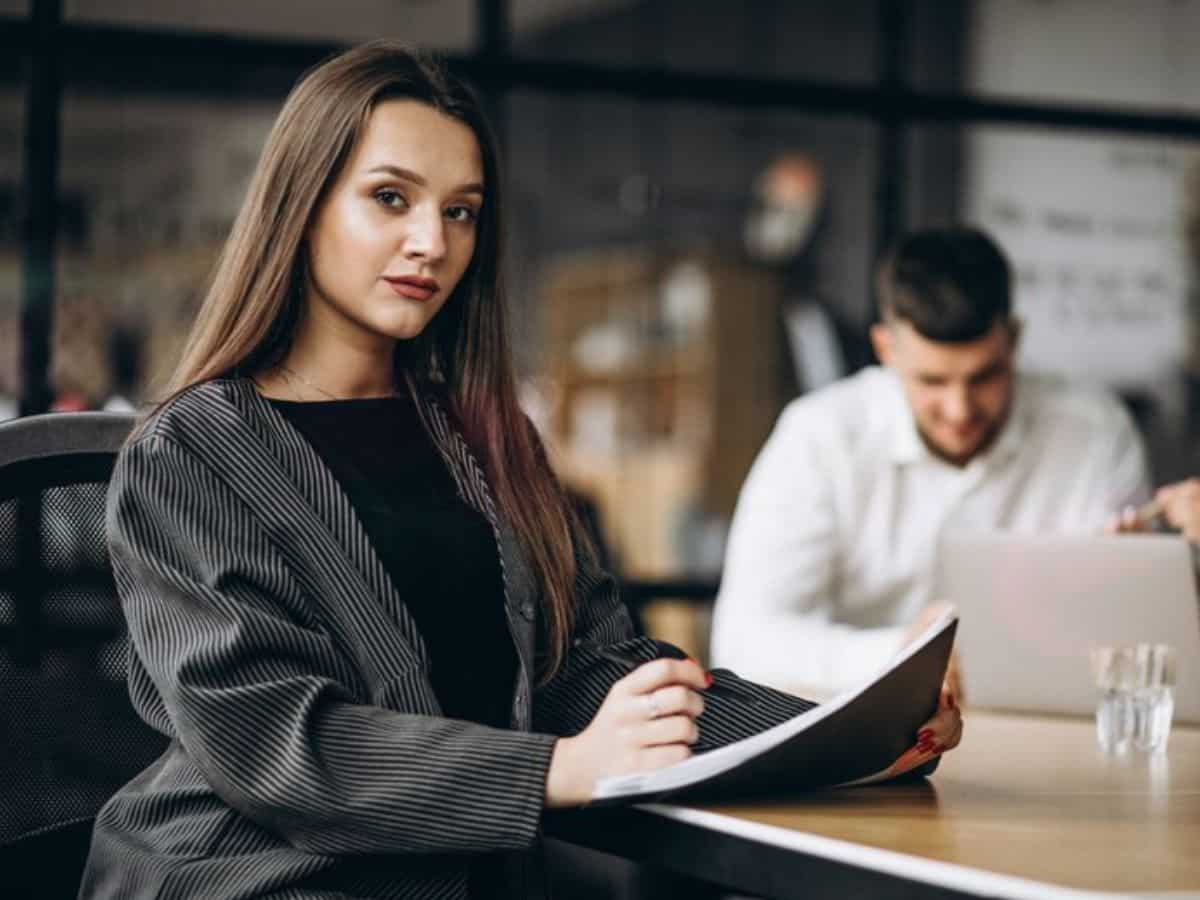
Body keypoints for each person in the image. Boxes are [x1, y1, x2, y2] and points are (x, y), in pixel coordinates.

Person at [79, 43, 961, 900]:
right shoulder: (188, 455)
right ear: (302, 206)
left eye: (461, 211)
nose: (432, 241)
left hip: (471, 869)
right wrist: (558, 769)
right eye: (391, 199)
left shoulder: (485, 437)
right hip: (246, 873)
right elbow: (277, 741)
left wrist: (849, 736)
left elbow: (595, 669)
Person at [711, 225, 1151, 698]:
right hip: (857, 736)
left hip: (1047, 723)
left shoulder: (1094, 433)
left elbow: (1134, 638)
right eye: (932, 380)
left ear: (1015, 340)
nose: (959, 410)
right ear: (886, 351)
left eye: (984, 376)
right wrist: (902, 654)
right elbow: (743, 642)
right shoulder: (818, 437)